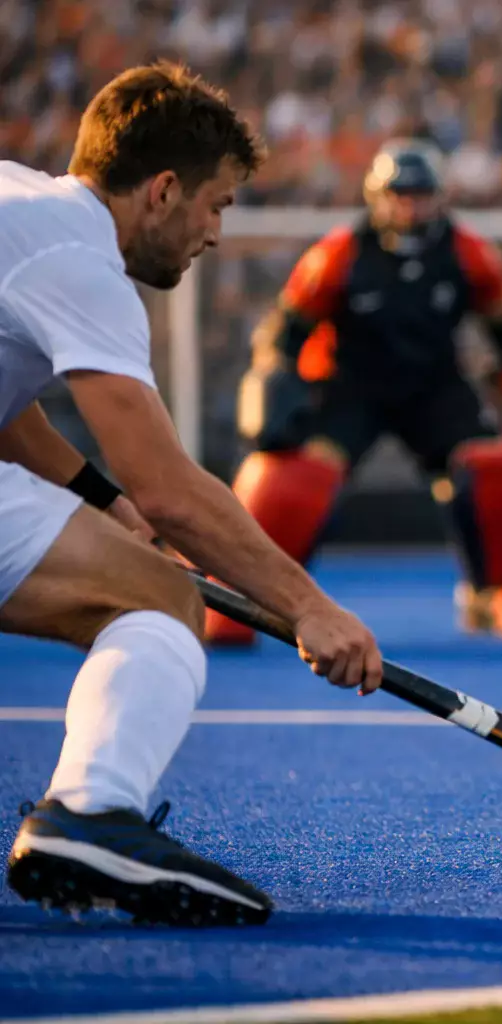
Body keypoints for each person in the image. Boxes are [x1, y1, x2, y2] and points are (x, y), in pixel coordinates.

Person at [2, 63, 385, 926]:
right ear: (164, 190)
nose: (214, 233)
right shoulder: (78, 259)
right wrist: (310, 607)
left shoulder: (21, 205)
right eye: (216, 206)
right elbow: (170, 489)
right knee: (159, 600)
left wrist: (105, 503)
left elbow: (10, 414)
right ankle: (93, 813)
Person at [205, 138, 502, 646]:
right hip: (350, 386)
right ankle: (248, 590)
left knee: (497, 464)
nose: (410, 206)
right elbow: (285, 332)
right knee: (297, 476)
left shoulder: (469, 253)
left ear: (439, 197)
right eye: (400, 195)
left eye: (421, 195)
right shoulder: (338, 254)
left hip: (434, 387)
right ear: (377, 197)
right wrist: (272, 383)